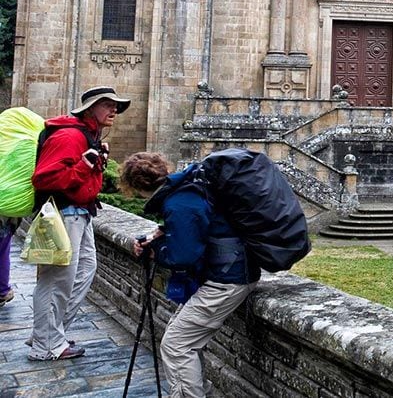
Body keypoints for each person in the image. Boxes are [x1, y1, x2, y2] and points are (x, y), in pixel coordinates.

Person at [120, 152, 260, 398]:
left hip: (227, 280)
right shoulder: (188, 188)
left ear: (137, 185)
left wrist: (155, 251)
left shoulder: (180, 201)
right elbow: (199, 227)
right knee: (183, 341)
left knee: (176, 345)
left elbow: (183, 255)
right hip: (230, 274)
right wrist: (160, 235)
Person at [27, 85, 130, 361]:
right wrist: (85, 166)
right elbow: (44, 179)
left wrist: (94, 163)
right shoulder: (71, 136)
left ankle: (49, 332)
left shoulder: (87, 136)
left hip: (80, 213)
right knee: (57, 280)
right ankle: (46, 345)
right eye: (108, 105)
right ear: (90, 108)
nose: (114, 111)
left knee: (85, 270)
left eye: (115, 106)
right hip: (64, 214)